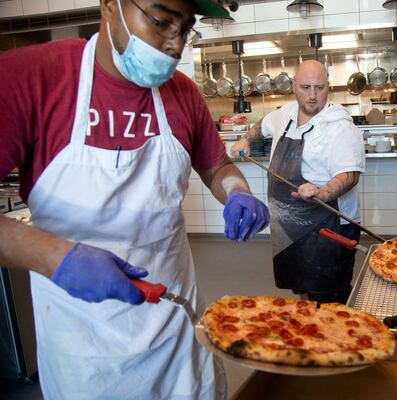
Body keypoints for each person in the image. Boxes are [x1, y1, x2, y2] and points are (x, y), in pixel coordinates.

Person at [0, 0, 269, 399]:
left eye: (185, 28)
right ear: (111, 5)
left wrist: (237, 191)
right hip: (85, 341)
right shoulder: (30, 78)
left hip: (176, 320)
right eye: (161, 22)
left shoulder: (183, 93)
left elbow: (216, 167)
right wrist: (56, 257)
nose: (175, 45)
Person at [231, 60, 365, 304]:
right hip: (291, 227)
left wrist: (322, 193)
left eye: (319, 87)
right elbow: (262, 126)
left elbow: (350, 175)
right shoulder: (286, 114)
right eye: (305, 87)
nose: (312, 96)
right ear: (294, 86)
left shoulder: (340, 126)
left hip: (330, 227)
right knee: (302, 290)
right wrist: (246, 138)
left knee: (330, 297)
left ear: (329, 88)